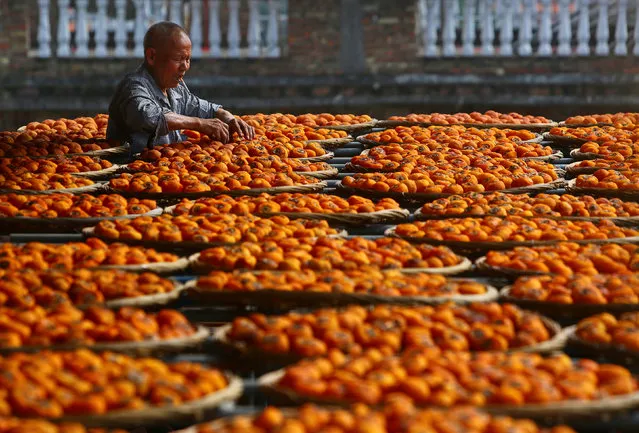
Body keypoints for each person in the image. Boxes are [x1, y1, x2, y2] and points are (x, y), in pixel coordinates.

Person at [106, 21, 254, 154]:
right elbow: (150, 117)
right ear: (152, 56)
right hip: (131, 172)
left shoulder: (174, 88)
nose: (185, 67)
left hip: (167, 170)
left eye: (188, 59)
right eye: (178, 59)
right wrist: (200, 124)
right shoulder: (133, 87)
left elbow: (204, 108)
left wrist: (229, 119)